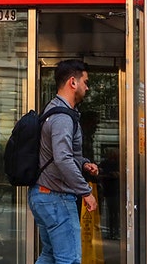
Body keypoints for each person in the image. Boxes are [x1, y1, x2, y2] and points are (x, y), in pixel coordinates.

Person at [29, 59, 99, 264]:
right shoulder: (62, 117)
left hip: (44, 195)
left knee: (50, 256)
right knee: (69, 259)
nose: (87, 87)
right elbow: (62, 158)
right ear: (73, 82)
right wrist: (85, 191)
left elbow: (59, 154)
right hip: (56, 197)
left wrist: (83, 163)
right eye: (85, 81)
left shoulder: (53, 110)